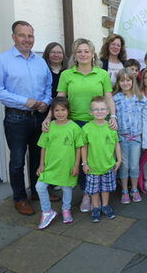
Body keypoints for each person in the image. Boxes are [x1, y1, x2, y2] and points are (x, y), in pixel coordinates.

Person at [42, 38, 117, 213]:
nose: (83, 54)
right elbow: (59, 100)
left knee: (96, 159)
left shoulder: (102, 74)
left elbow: (108, 97)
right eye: (79, 51)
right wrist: (48, 117)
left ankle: (98, 196)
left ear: (92, 54)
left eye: (86, 51)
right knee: (82, 162)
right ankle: (86, 194)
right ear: (75, 55)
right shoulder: (67, 74)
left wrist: (113, 116)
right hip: (74, 123)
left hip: (97, 122)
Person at [0, 20, 52, 215]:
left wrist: (46, 101)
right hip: (16, 118)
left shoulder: (40, 62)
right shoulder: (2, 60)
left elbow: (48, 85)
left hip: (38, 117)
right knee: (17, 160)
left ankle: (36, 192)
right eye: (22, 35)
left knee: (37, 158)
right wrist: (25, 101)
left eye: (30, 36)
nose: (27, 39)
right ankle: (19, 197)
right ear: (13, 37)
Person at [35, 97, 84, 229]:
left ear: (68, 111)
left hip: (67, 165)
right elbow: (43, 147)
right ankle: (47, 211)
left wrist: (76, 165)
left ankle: (66, 209)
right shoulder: (49, 127)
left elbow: (79, 147)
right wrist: (41, 164)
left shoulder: (74, 128)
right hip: (50, 165)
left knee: (66, 188)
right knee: (40, 186)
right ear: (52, 112)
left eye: (63, 110)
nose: (60, 113)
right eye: (56, 110)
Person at [113, 68, 147, 202]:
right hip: (121, 139)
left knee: (134, 165)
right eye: (122, 80)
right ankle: (124, 190)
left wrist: (146, 140)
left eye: (128, 80)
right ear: (118, 82)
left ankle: (134, 189)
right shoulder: (115, 99)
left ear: (133, 81)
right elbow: (112, 119)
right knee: (124, 165)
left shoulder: (141, 99)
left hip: (136, 139)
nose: (125, 83)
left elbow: (145, 120)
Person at [81, 96, 121, 223]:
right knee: (93, 190)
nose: (99, 111)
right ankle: (96, 208)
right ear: (90, 112)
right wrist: (84, 163)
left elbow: (116, 144)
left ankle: (105, 205)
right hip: (92, 166)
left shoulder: (111, 127)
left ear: (108, 111)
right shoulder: (86, 128)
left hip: (108, 165)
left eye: (102, 109)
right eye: (96, 109)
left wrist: (119, 160)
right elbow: (84, 147)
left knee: (105, 188)